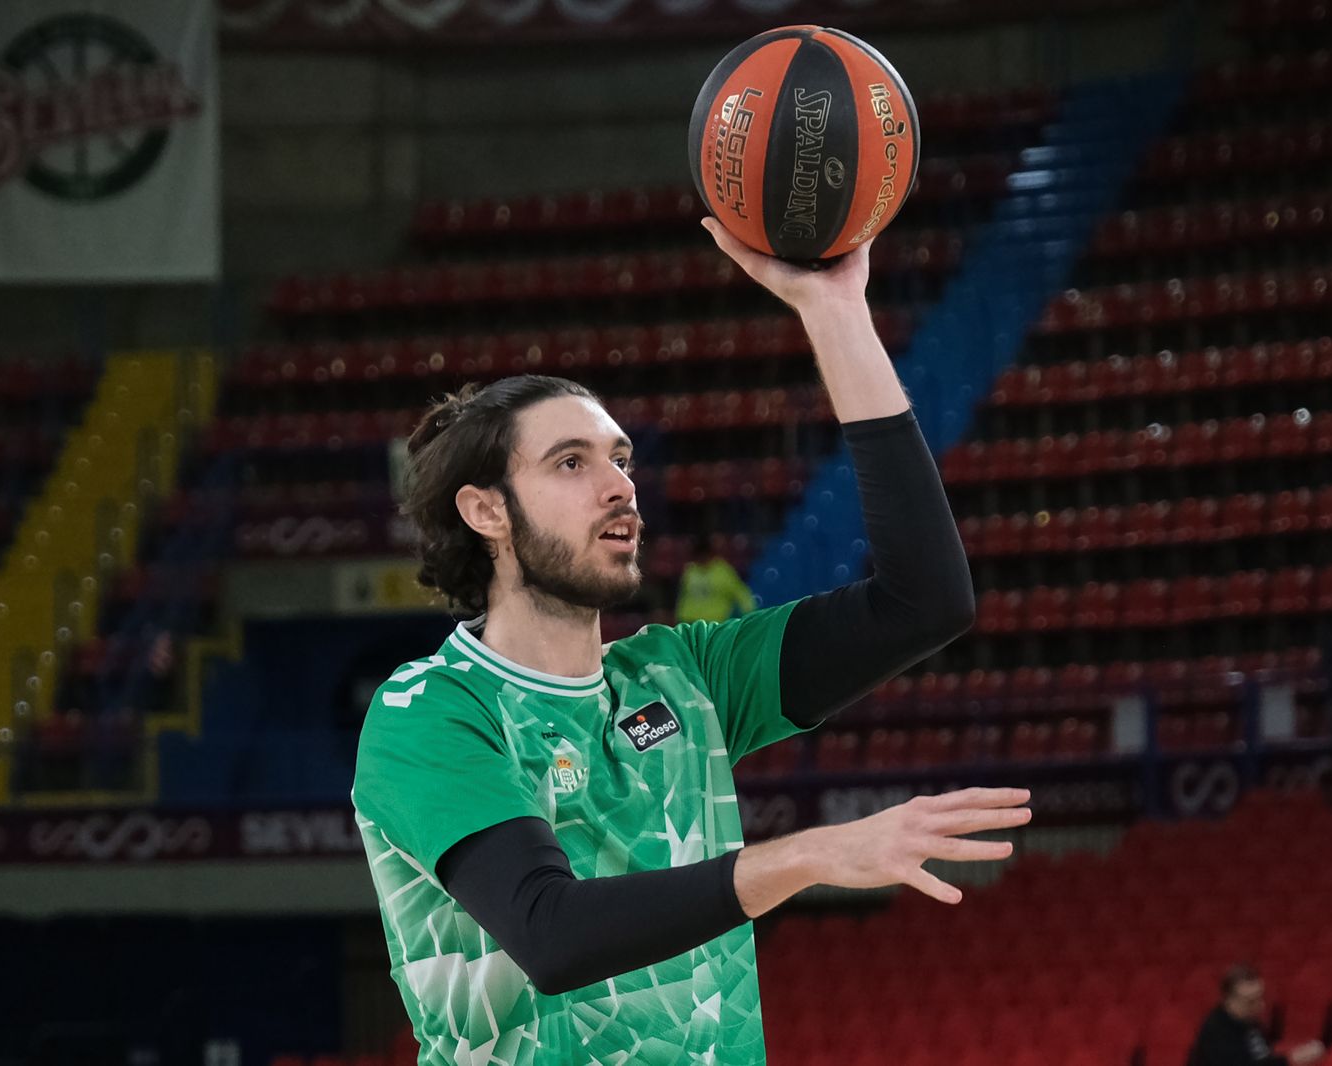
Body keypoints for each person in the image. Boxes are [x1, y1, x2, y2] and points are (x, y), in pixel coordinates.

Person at [351, 219, 1024, 1066]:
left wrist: (836, 311)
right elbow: (552, 934)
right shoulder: (432, 711)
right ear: (487, 511)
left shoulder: (683, 677)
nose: (619, 484)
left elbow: (925, 601)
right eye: (570, 463)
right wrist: (811, 855)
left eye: (621, 457)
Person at [1187, 965, 1327, 1066]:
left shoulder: (1250, 1022)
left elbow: (1263, 1057)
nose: (1260, 1005)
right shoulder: (1216, 1030)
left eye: (1261, 997)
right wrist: (1292, 1059)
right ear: (1228, 1000)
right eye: (1250, 1001)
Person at [676, 531, 757, 623]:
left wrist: (751, 614)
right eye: (699, 557)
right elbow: (683, 595)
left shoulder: (723, 571)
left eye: (705, 556)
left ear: (710, 555)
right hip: (689, 619)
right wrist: (679, 615)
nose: (702, 560)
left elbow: (741, 593)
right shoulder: (690, 570)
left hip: (714, 621)